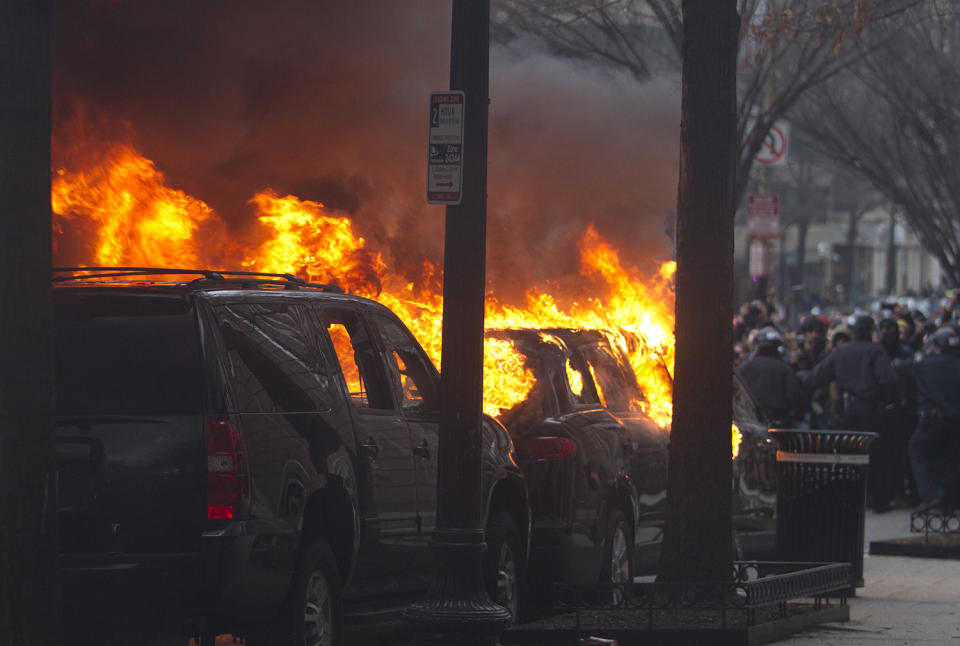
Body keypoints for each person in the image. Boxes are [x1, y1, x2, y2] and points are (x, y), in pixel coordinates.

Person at [804, 315, 899, 512]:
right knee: (878, 454)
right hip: (872, 408)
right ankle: (879, 501)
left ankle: (851, 499)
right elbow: (888, 379)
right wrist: (890, 402)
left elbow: (815, 378)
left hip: (848, 409)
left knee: (850, 455)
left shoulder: (841, 352)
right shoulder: (875, 351)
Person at [908, 327, 960, 510]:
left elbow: (901, 371)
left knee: (917, 453)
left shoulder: (926, 364)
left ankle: (931, 496)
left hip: (931, 420)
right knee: (950, 460)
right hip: (955, 422)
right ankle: (949, 501)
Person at [737, 327, 809, 428]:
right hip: (779, 426)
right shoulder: (785, 369)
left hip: (749, 425)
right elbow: (796, 399)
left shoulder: (744, 368)